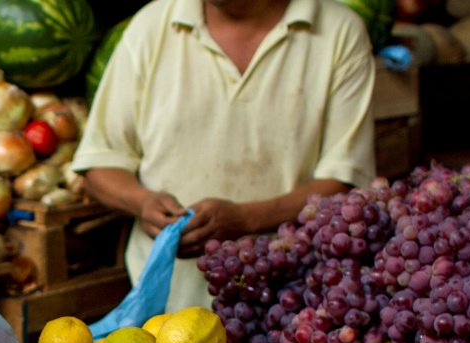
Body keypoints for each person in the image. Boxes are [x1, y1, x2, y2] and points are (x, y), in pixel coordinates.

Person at [71, 0, 377, 312]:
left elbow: (346, 181)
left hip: (291, 303)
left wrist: (246, 219)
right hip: (166, 310)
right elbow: (99, 163)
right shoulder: (151, 26)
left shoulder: (339, 32)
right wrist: (142, 202)